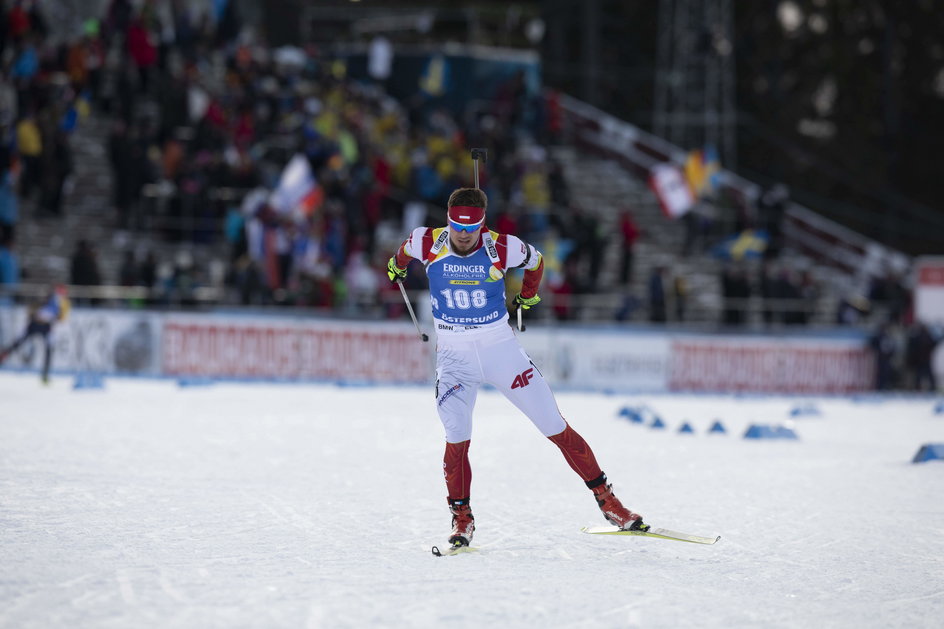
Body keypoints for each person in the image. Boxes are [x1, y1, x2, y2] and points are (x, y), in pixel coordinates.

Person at [386, 187, 648, 551]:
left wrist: (528, 294)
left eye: (472, 227)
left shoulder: (502, 247)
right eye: (457, 227)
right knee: (456, 438)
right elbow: (402, 252)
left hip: (501, 351)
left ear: (482, 224)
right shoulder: (426, 241)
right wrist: (397, 266)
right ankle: (462, 519)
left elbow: (537, 262)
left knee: (555, 426)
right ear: (447, 221)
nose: (463, 235)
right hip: (454, 359)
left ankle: (610, 503)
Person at [0, 285, 70, 383]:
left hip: (45, 326)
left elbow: (61, 318)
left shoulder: (63, 303)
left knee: (48, 349)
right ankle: (4, 355)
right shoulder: (51, 298)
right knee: (21, 342)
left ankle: (45, 374)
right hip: (36, 324)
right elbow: (33, 309)